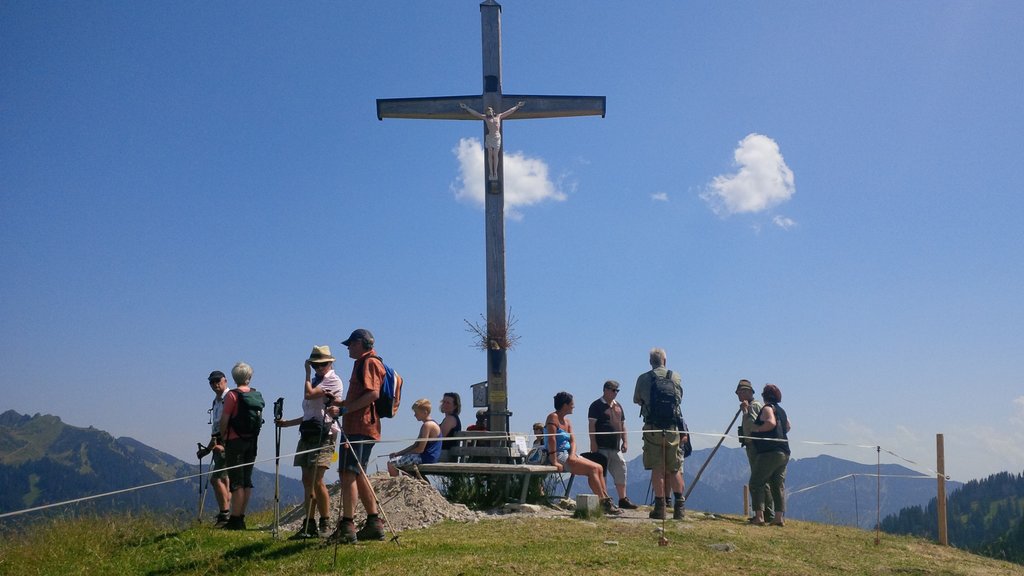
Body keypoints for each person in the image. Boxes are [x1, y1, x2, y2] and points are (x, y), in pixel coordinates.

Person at [275, 346, 344, 539]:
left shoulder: (332, 380)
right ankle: (309, 523)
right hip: (309, 432)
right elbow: (310, 413)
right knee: (307, 479)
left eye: (322, 364)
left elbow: (309, 395)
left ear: (330, 363)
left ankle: (325, 521)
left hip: (325, 434)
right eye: (315, 365)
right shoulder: (316, 380)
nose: (318, 368)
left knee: (317, 478)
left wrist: (306, 373)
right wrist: (287, 424)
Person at [326, 328, 384, 544]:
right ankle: (373, 523)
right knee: (358, 474)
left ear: (360, 343)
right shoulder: (364, 363)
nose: (348, 348)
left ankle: (347, 526)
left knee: (347, 473)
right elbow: (364, 396)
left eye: (350, 343)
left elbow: (372, 394)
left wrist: (343, 411)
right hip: (361, 426)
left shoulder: (369, 363)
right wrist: (340, 403)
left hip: (359, 427)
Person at [545, 391, 621, 516]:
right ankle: (603, 502)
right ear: (565, 405)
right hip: (557, 454)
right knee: (592, 469)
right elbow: (552, 439)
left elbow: (573, 440)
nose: (573, 406)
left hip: (568, 453)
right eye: (571, 404)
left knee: (599, 467)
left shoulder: (568, 422)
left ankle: (606, 499)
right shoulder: (552, 417)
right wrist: (554, 461)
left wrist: (573, 454)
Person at [633, 348, 686, 520]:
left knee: (657, 468)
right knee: (675, 468)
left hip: (653, 428)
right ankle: (679, 508)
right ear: (665, 360)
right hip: (672, 428)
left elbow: (636, 399)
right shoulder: (675, 377)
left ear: (651, 362)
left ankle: (660, 508)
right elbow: (679, 399)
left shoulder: (643, 378)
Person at [218, 362, 265, 530]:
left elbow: (224, 420)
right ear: (249, 377)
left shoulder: (232, 396)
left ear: (234, 377)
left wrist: (223, 437)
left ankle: (235, 519)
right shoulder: (256, 395)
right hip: (252, 442)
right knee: (247, 480)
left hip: (235, 441)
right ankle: (242, 516)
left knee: (236, 481)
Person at [588, 380, 637, 510]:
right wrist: (593, 443)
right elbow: (592, 425)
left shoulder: (618, 406)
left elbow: (622, 425)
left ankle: (623, 499)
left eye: (617, 390)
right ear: (605, 390)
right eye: (613, 390)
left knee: (621, 470)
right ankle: (604, 500)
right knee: (602, 473)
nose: (615, 393)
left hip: (615, 447)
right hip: (601, 446)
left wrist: (625, 441)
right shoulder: (596, 405)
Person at [748, 383, 792, 526]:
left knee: (756, 482)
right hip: (784, 451)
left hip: (769, 452)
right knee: (777, 484)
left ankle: (759, 516)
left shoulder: (767, 408)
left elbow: (771, 423)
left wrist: (758, 429)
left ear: (764, 396)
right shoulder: (781, 410)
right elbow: (788, 426)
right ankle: (779, 517)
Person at [736, 379, 774, 523]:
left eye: (740, 392)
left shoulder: (753, 406)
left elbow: (752, 425)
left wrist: (745, 411)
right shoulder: (754, 405)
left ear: (748, 392)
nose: (738, 395)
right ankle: (766, 513)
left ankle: (765, 513)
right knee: (762, 481)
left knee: (760, 481)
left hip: (755, 447)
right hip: (752, 445)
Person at [196, 370, 231, 526]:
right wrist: (208, 449)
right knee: (224, 478)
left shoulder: (230, 398)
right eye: (212, 381)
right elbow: (216, 430)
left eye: (218, 380)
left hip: (226, 444)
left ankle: (225, 516)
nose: (215, 384)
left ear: (225, 380)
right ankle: (229, 514)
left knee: (216, 479)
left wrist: (224, 445)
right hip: (219, 443)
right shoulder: (216, 401)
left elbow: (231, 424)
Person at [458, 101, 525, 180]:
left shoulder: (499, 116)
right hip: (490, 137)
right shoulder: (486, 118)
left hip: (496, 137)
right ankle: (491, 172)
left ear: (492, 111)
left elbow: (509, 112)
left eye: (489, 111)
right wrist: (467, 108)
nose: (488, 112)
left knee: (495, 155)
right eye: (487, 111)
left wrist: (517, 106)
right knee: (490, 155)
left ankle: (495, 172)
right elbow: (476, 114)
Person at [387, 398, 442, 476]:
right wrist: (398, 453)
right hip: (427, 457)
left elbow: (420, 449)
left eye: (416, 412)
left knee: (391, 463)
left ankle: (396, 484)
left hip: (426, 457)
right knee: (403, 466)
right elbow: (415, 445)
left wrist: (405, 455)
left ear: (425, 412)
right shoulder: (428, 424)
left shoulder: (428, 425)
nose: (415, 415)